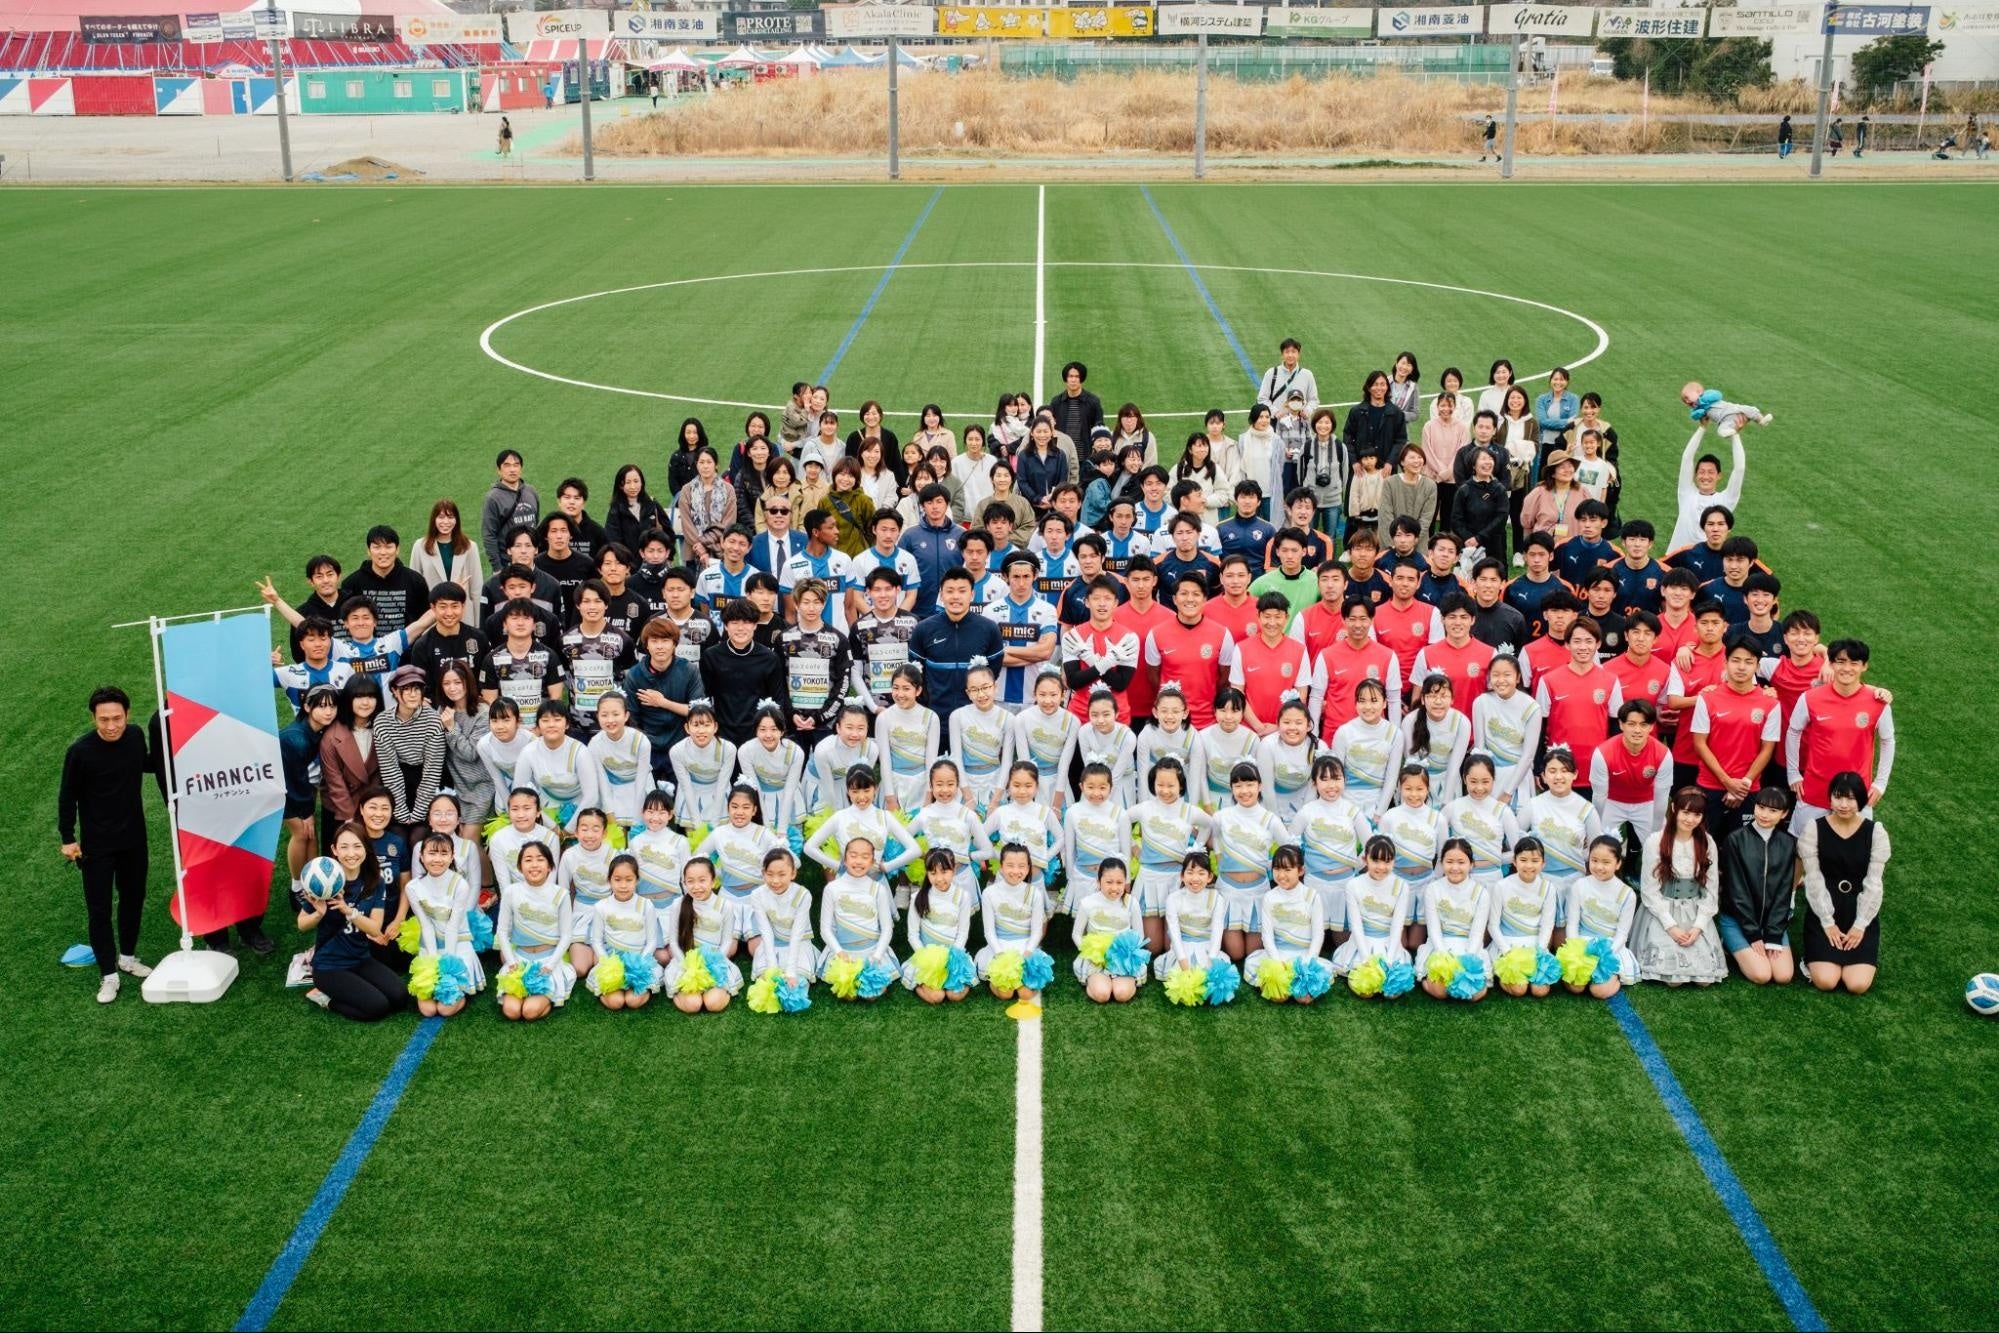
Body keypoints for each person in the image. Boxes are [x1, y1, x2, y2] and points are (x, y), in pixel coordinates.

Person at [60, 686, 156, 1003]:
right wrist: (67, 838)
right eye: (104, 720)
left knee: (133, 898)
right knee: (99, 909)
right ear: (94, 718)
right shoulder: (80, 752)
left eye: (117, 718)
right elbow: (67, 797)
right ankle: (108, 975)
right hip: (97, 846)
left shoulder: (135, 736)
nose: (111, 726)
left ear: (127, 715)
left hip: (134, 839)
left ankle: (127, 958)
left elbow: (144, 763)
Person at [298, 821, 406, 1020]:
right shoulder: (325, 881)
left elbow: (375, 929)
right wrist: (318, 914)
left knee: (400, 996)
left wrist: (348, 911)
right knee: (378, 1007)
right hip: (329, 966)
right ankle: (324, 998)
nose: (351, 853)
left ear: (366, 848)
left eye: (357, 846)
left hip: (361, 959)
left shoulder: (375, 881)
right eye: (344, 847)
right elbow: (301, 924)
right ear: (334, 850)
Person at [1785, 638, 1894, 834]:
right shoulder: (1810, 698)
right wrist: (1793, 773)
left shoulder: (1878, 703)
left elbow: (1888, 741)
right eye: (1841, 662)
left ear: (1864, 666)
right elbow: (1793, 732)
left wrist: (1880, 783)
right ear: (1832, 664)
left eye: (1854, 663)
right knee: (1803, 846)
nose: (1847, 668)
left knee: (1854, 849)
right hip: (1815, 790)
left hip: (1856, 794)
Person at [1799, 771, 1887, 994]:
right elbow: (1813, 879)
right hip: (1824, 908)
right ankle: (1811, 958)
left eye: (1851, 798)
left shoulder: (1875, 832)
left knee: (1857, 985)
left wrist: (1860, 925)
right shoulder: (1814, 828)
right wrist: (1827, 922)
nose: (1844, 805)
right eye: (1838, 797)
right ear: (1830, 797)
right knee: (1826, 981)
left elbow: (1874, 883)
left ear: (1861, 800)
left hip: (1859, 911)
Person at [1634, 788, 1727, 986]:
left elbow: (1711, 889)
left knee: (1704, 980)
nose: (1690, 819)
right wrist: (1671, 926)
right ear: (1674, 808)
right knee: (1672, 978)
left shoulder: (1707, 842)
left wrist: (1699, 926)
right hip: (1663, 908)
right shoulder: (1655, 841)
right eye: (1685, 812)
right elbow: (1649, 890)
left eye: (1697, 815)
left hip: (1694, 909)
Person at [1718, 786, 1798, 986]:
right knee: (1762, 975)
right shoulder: (1735, 840)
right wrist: (1753, 934)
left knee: (1783, 976)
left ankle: (1762, 941)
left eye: (1773, 810)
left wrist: (1773, 934)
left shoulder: (1788, 843)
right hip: (1737, 921)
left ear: (1784, 814)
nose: (1764, 814)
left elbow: (1784, 892)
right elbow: (1736, 891)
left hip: (1770, 922)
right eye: (1761, 807)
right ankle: (1729, 943)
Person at [375, 666, 447, 838]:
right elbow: (390, 770)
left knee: (419, 836)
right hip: (397, 783)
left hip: (427, 782)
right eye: (406, 689)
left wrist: (418, 814)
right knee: (397, 836)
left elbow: (432, 770)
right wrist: (401, 812)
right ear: (394, 690)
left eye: (417, 688)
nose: (413, 694)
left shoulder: (433, 721)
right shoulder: (382, 723)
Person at [483, 449, 539, 569]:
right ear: (499, 470)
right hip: (507, 564)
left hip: (531, 562)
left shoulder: (531, 492)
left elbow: (536, 524)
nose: (512, 469)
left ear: (521, 468)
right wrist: (497, 567)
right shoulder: (493, 498)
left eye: (516, 465)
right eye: (507, 465)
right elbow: (489, 535)